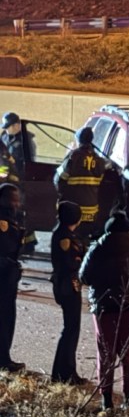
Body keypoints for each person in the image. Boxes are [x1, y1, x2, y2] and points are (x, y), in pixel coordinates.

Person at [79, 211, 129, 410]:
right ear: (128, 229)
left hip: (105, 306)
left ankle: (106, 400)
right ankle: (128, 400)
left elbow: (84, 276)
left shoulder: (98, 247)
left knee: (105, 353)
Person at [50, 201, 87, 385]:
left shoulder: (63, 233)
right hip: (68, 285)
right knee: (71, 329)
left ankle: (63, 371)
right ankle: (65, 372)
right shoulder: (66, 237)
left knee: (71, 329)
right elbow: (72, 262)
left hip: (66, 284)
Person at [54, 127, 111, 243]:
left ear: (78, 140)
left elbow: (58, 179)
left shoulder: (73, 157)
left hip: (73, 209)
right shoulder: (100, 161)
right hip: (91, 211)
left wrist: (62, 195)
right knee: (85, 239)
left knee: (69, 238)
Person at [1, 113, 37, 254]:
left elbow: (27, 163)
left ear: (16, 125)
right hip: (8, 181)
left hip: (19, 181)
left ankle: (27, 243)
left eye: (9, 127)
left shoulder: (26, 141)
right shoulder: (5, 137)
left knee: (20, 212)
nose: (7, 130)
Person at [0, 183, 25, 372]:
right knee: (5, 317)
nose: (16, 203)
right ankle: (3, 359)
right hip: (4, 275)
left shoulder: (11, 218)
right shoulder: (3, 221)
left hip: (8, 273)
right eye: (13, 200)